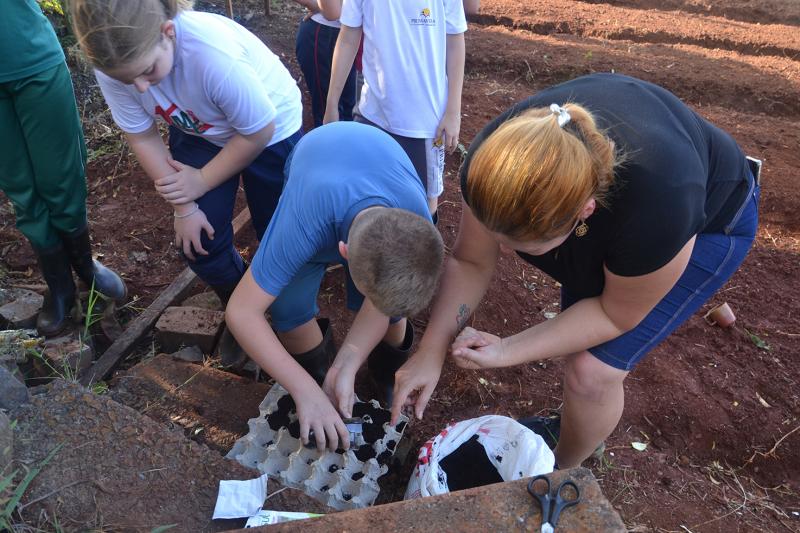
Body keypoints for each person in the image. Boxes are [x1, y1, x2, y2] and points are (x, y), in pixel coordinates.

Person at [391, 73, 761, 469]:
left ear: (584, 213)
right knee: (578, 337)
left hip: (713, 223)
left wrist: (505, 351)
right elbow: (471, 260)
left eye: (521, 247)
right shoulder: (494, 163)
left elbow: (613, 313)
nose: (500, 252)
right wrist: (430, 351)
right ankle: (574, 434)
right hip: (624, 206)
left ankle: (563, 468)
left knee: (591, 370)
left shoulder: (659, 211)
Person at [69, 0, 303, 365]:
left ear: (168, 32)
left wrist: (204, 179)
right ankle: (242, 309)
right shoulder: (114, 62)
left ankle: (286, 317)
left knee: (275, 232)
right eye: (129, 80)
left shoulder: (211, 57)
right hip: (198, 129)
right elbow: (142, 136)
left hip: (270, 131)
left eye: (148, 71)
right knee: (200, 245)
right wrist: (185, 205)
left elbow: (258, 131)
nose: (143, 89)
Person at [226, 121, 443, 451]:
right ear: (341, 255)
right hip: (317, 158)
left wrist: (349, 362)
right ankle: (317, 377)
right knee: (288, 310)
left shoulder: (417, 223)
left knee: (393, 315)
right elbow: (242, 312)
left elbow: (387, 302)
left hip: (377, 157)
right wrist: (304, 390)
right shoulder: (302, 222)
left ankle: (384, 376)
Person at [0, 0, 127, 337]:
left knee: (61, 176)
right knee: (19, 187)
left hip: (32, 58)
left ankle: (85, 267)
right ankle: (59, 286)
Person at [323, 0, 467, 218]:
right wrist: (331, 103)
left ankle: (421, 250)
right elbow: (348, 37)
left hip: (425, 120)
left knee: (423, 205)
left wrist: (453, 111)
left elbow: (455, 40)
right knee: (368, 196)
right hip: (372, 113)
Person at [293, 0, 357, 127]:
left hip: (351, 35)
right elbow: (333, 13)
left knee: (348, 110)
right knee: (328, 112)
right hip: (323, 35)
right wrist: (316, 5)